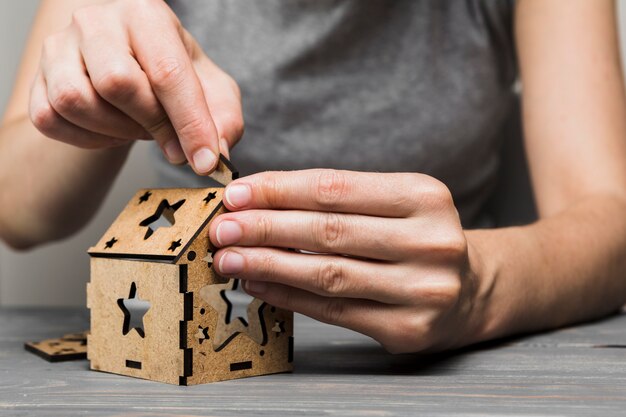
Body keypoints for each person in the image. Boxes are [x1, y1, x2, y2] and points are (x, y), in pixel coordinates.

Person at [1, 0, 626, 354]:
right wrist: (100, 90)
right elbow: (16, 207)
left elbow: (610, 221)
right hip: (196, 349)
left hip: (441, 365)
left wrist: (478, 285)